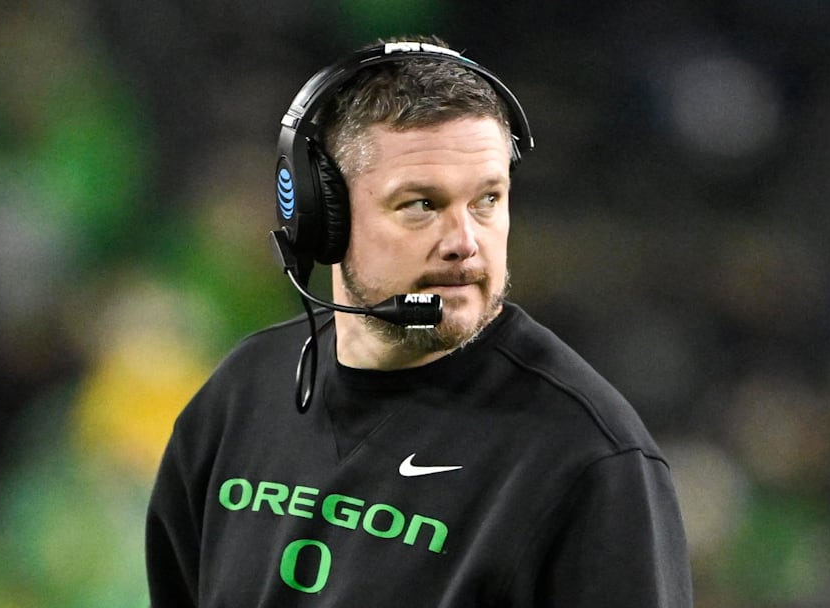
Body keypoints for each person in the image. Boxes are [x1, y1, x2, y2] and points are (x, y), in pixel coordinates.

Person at [146, 36, 693, 607]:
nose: (464, 243)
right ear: (322, 216)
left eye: (487, 200)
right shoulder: (240, 397)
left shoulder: (589, 460)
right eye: (421, 205)